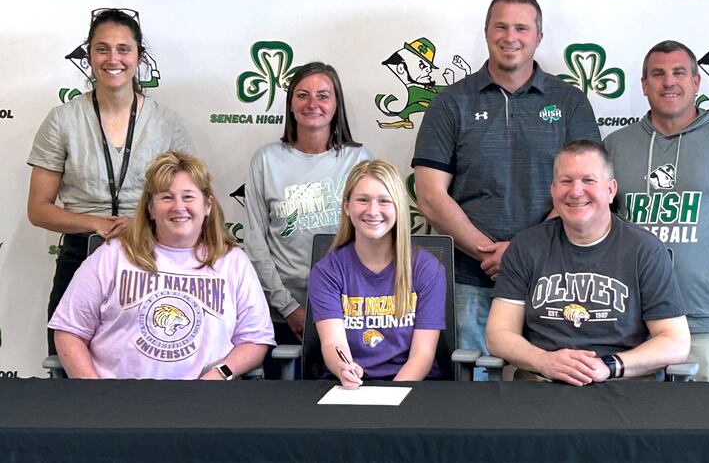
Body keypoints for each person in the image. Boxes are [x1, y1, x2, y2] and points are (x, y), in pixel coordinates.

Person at [412, 0, 600, 379]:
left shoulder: (570, 102)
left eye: (521, 27)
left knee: (551, 396)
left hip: (554, 280)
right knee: (473, 402)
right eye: (501, 26)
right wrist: (488, 252)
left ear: (538, 37)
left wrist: (521, 254)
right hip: (471, 279)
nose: (510, 36)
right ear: (485, 32)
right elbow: (429, 195)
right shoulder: (451, 102)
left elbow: (585, 190)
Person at [605, 40, 709, 381]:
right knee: (634, 427)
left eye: (679, 73)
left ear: (696, 83)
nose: (669, 82)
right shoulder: (615, 145)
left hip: (707, 320)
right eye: (658, 74)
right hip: (633, 318)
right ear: (644, 85)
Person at [27, 8, 190, 356]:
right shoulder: (62, 119)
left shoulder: (167, 123)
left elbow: (187, 203)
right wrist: (96, 223)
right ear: (88, 55)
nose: (113, 59)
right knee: (67, 366)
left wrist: (143, 222)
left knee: (144, 365)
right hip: (80, 256)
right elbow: (38, 210)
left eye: (123, 49)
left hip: (149, 256)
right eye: (102, 49)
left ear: (139, 57)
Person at [49, 151, 274, 379]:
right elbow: (69, 331)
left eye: (188, 197)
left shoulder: (233, 261)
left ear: (208, 205)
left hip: (205, 401)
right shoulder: (112, 255)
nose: (178, 207)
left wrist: (219, 374)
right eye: (166, 197)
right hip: (117, 401)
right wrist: (96, 392)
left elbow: (255, 339)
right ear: (151, 209)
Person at [486, 140, 690, 385]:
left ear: (611, 190)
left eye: (588, 180)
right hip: (540, 386)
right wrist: (543, 361)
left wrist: (610, 366)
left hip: (622, 386)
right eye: (566, 181)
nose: (576, 191)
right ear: (553, 190)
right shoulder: (526, 246)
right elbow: (498, 334)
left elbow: (675, 341)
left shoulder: (644, 249)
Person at [244, 62, 372, 377]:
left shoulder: (359, 160)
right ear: (290, 104)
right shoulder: (266, 161)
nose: (312, 104)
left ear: (336, 105)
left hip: (348, 312)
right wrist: (288, 307)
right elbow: (255, 241)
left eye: (323, 96)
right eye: (302, 95)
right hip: (281, 313)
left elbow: (373, 240)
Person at [308, 160, 446, 389]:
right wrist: (345, 369)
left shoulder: (427, 268)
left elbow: (422, 356)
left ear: (399, 208)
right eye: (362, 200)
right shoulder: (327, 271)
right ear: (346, 207)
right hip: (349, 387)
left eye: (384, 201)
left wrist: (387, 398)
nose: (373, 211)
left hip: (412, 386)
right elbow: (333, 342)